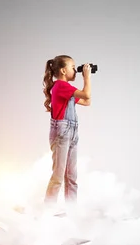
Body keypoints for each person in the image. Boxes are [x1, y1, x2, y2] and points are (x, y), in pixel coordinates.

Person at [42, 55, 92, 205]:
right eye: (73, 67)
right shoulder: (61, 86)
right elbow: (87, 94)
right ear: (63, 71)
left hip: (71, 133)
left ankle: (72, 212)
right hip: (62, 134)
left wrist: (86, 78)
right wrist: (87, 78)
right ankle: (48, 211)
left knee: (71, 176)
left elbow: (87, 102)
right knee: (58, 176)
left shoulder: (68, 90)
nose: (75, 70)